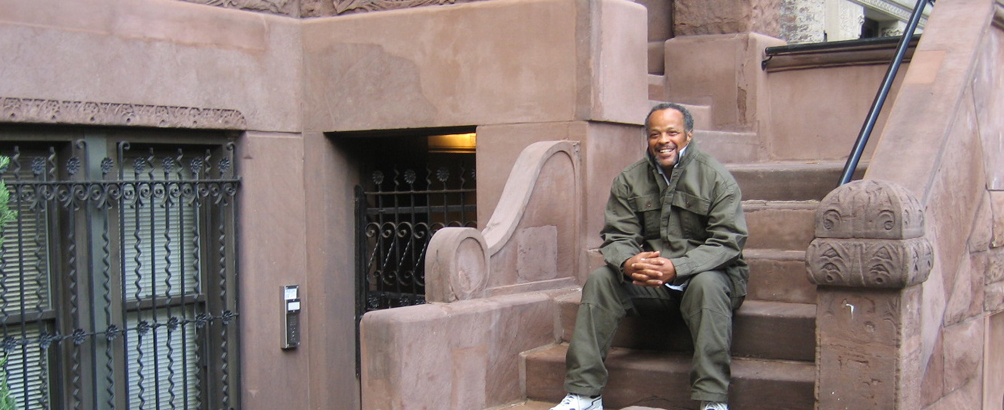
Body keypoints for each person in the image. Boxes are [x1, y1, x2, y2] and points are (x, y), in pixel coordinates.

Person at [550, 103, 748, 410]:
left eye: (672, 132)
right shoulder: (629, 180)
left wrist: (678, 267)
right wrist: (629, 263)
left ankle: (712, 401)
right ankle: (585, 395)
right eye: (654, 134)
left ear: (689, 135)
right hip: (652, 282)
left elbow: (727, 242)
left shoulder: (716, 178)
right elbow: (617, 237)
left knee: (707, 283)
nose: (663, 140)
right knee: (602, 279)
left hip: (705, 282)